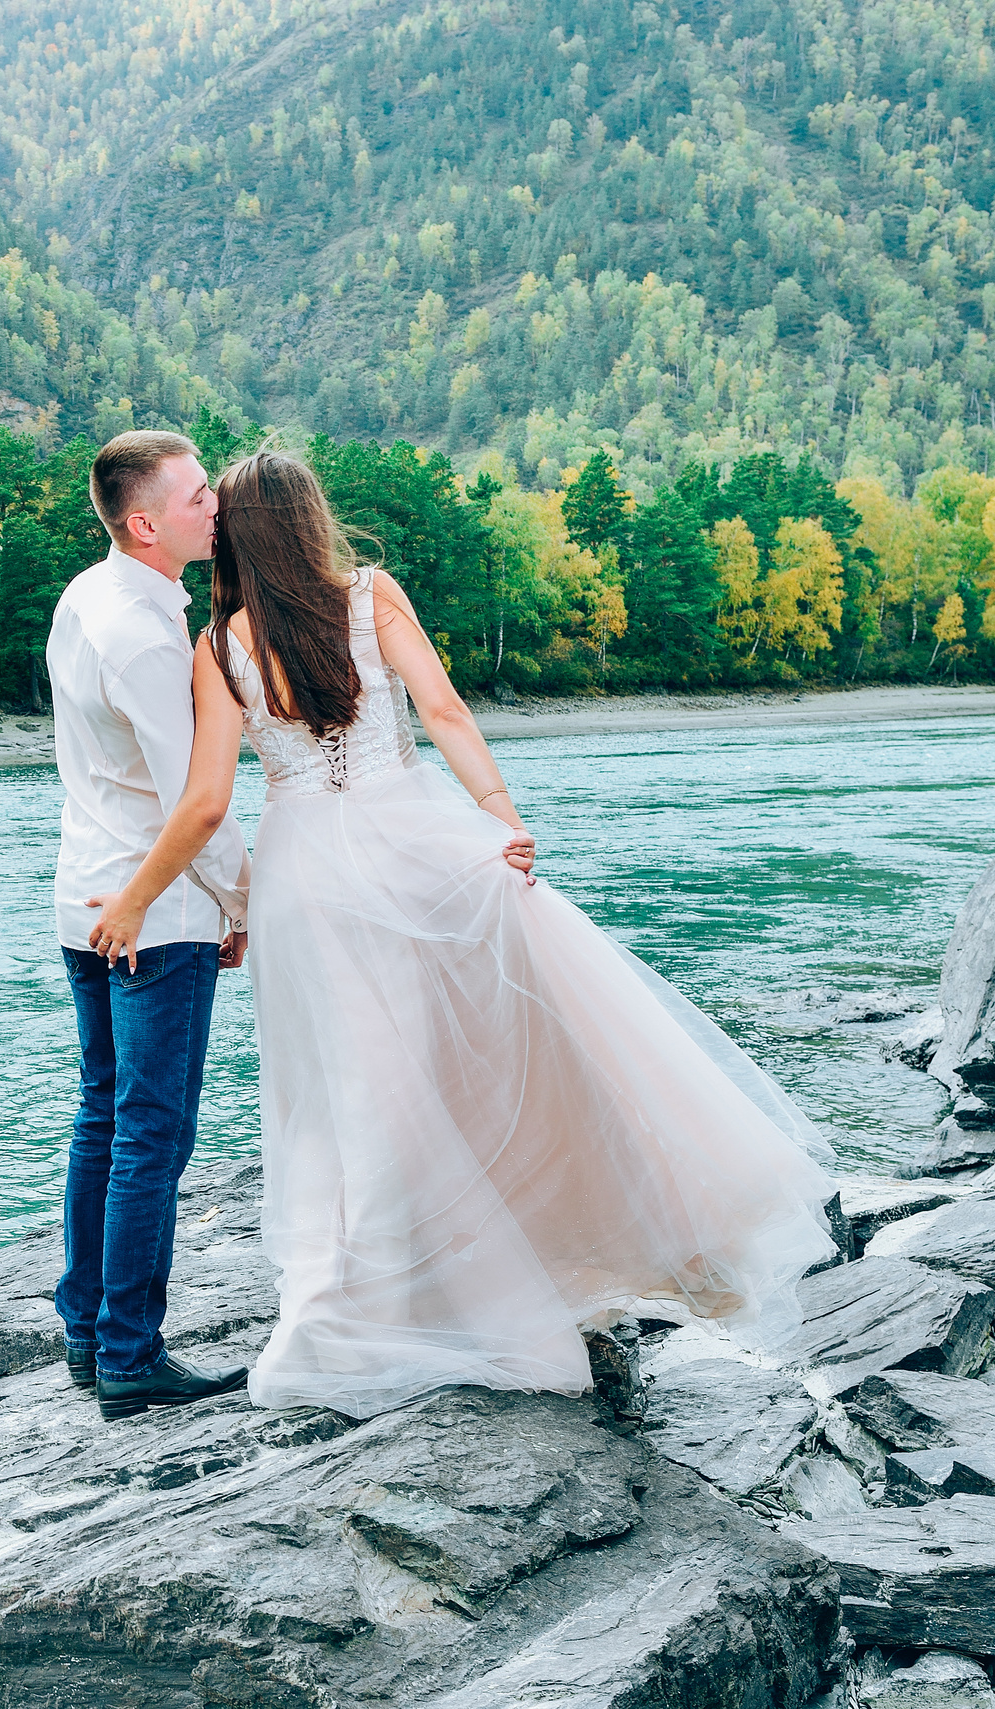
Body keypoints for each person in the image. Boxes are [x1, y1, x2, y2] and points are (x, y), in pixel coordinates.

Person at [85, 447, 836, 1418]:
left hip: (305, 877)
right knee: (504, 1043)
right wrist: (499, 818)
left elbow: (204, 801)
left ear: (234, 537)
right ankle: (581, 1243)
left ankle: (373, 1301)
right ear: (310, 519)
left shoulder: (218, 647)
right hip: (415, 842)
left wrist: (206, 907)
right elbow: (441, 710)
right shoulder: (368, 595)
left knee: (355, 1094)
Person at [46, 430, 255, 1422]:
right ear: (145, 522)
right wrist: (241, 902)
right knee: (149, 1134)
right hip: (151, 909)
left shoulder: (84, 597)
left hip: (82, 895)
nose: (214, 505)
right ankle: (128, 1349)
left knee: (103, 1114)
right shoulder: (142, 630)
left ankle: (86, 1333)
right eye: (198, 496)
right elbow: (195, 800)